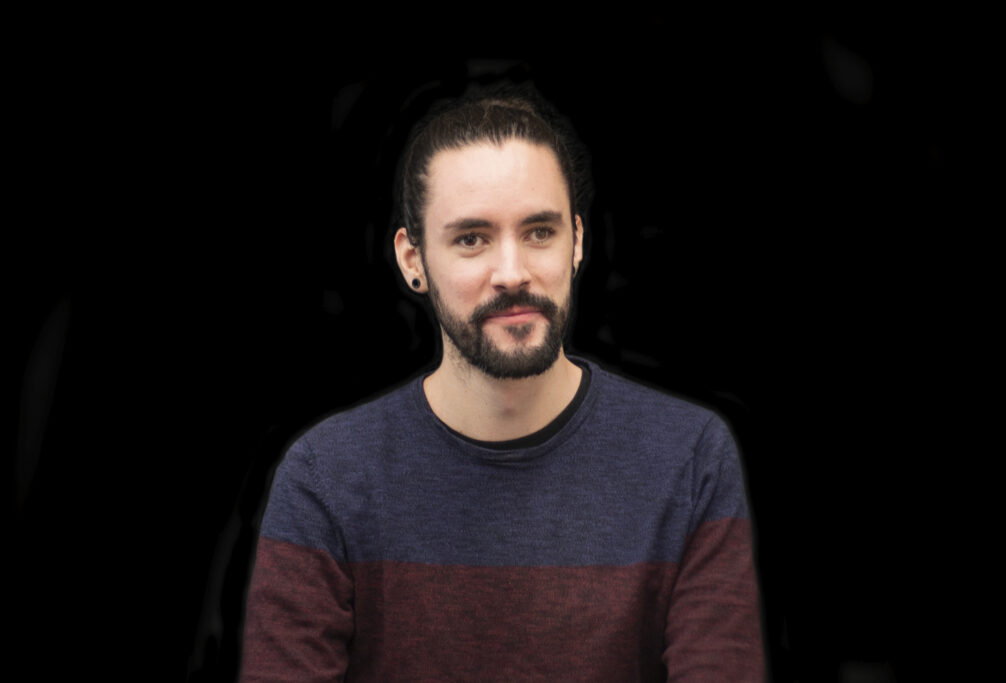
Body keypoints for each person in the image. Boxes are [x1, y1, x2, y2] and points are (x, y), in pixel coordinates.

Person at [240, 85, 765, 681]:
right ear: (413, 261)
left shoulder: (689, 457)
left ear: (578, 242)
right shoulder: (326, 477)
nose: (512, 273)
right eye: (471, 239)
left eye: (539, 232)